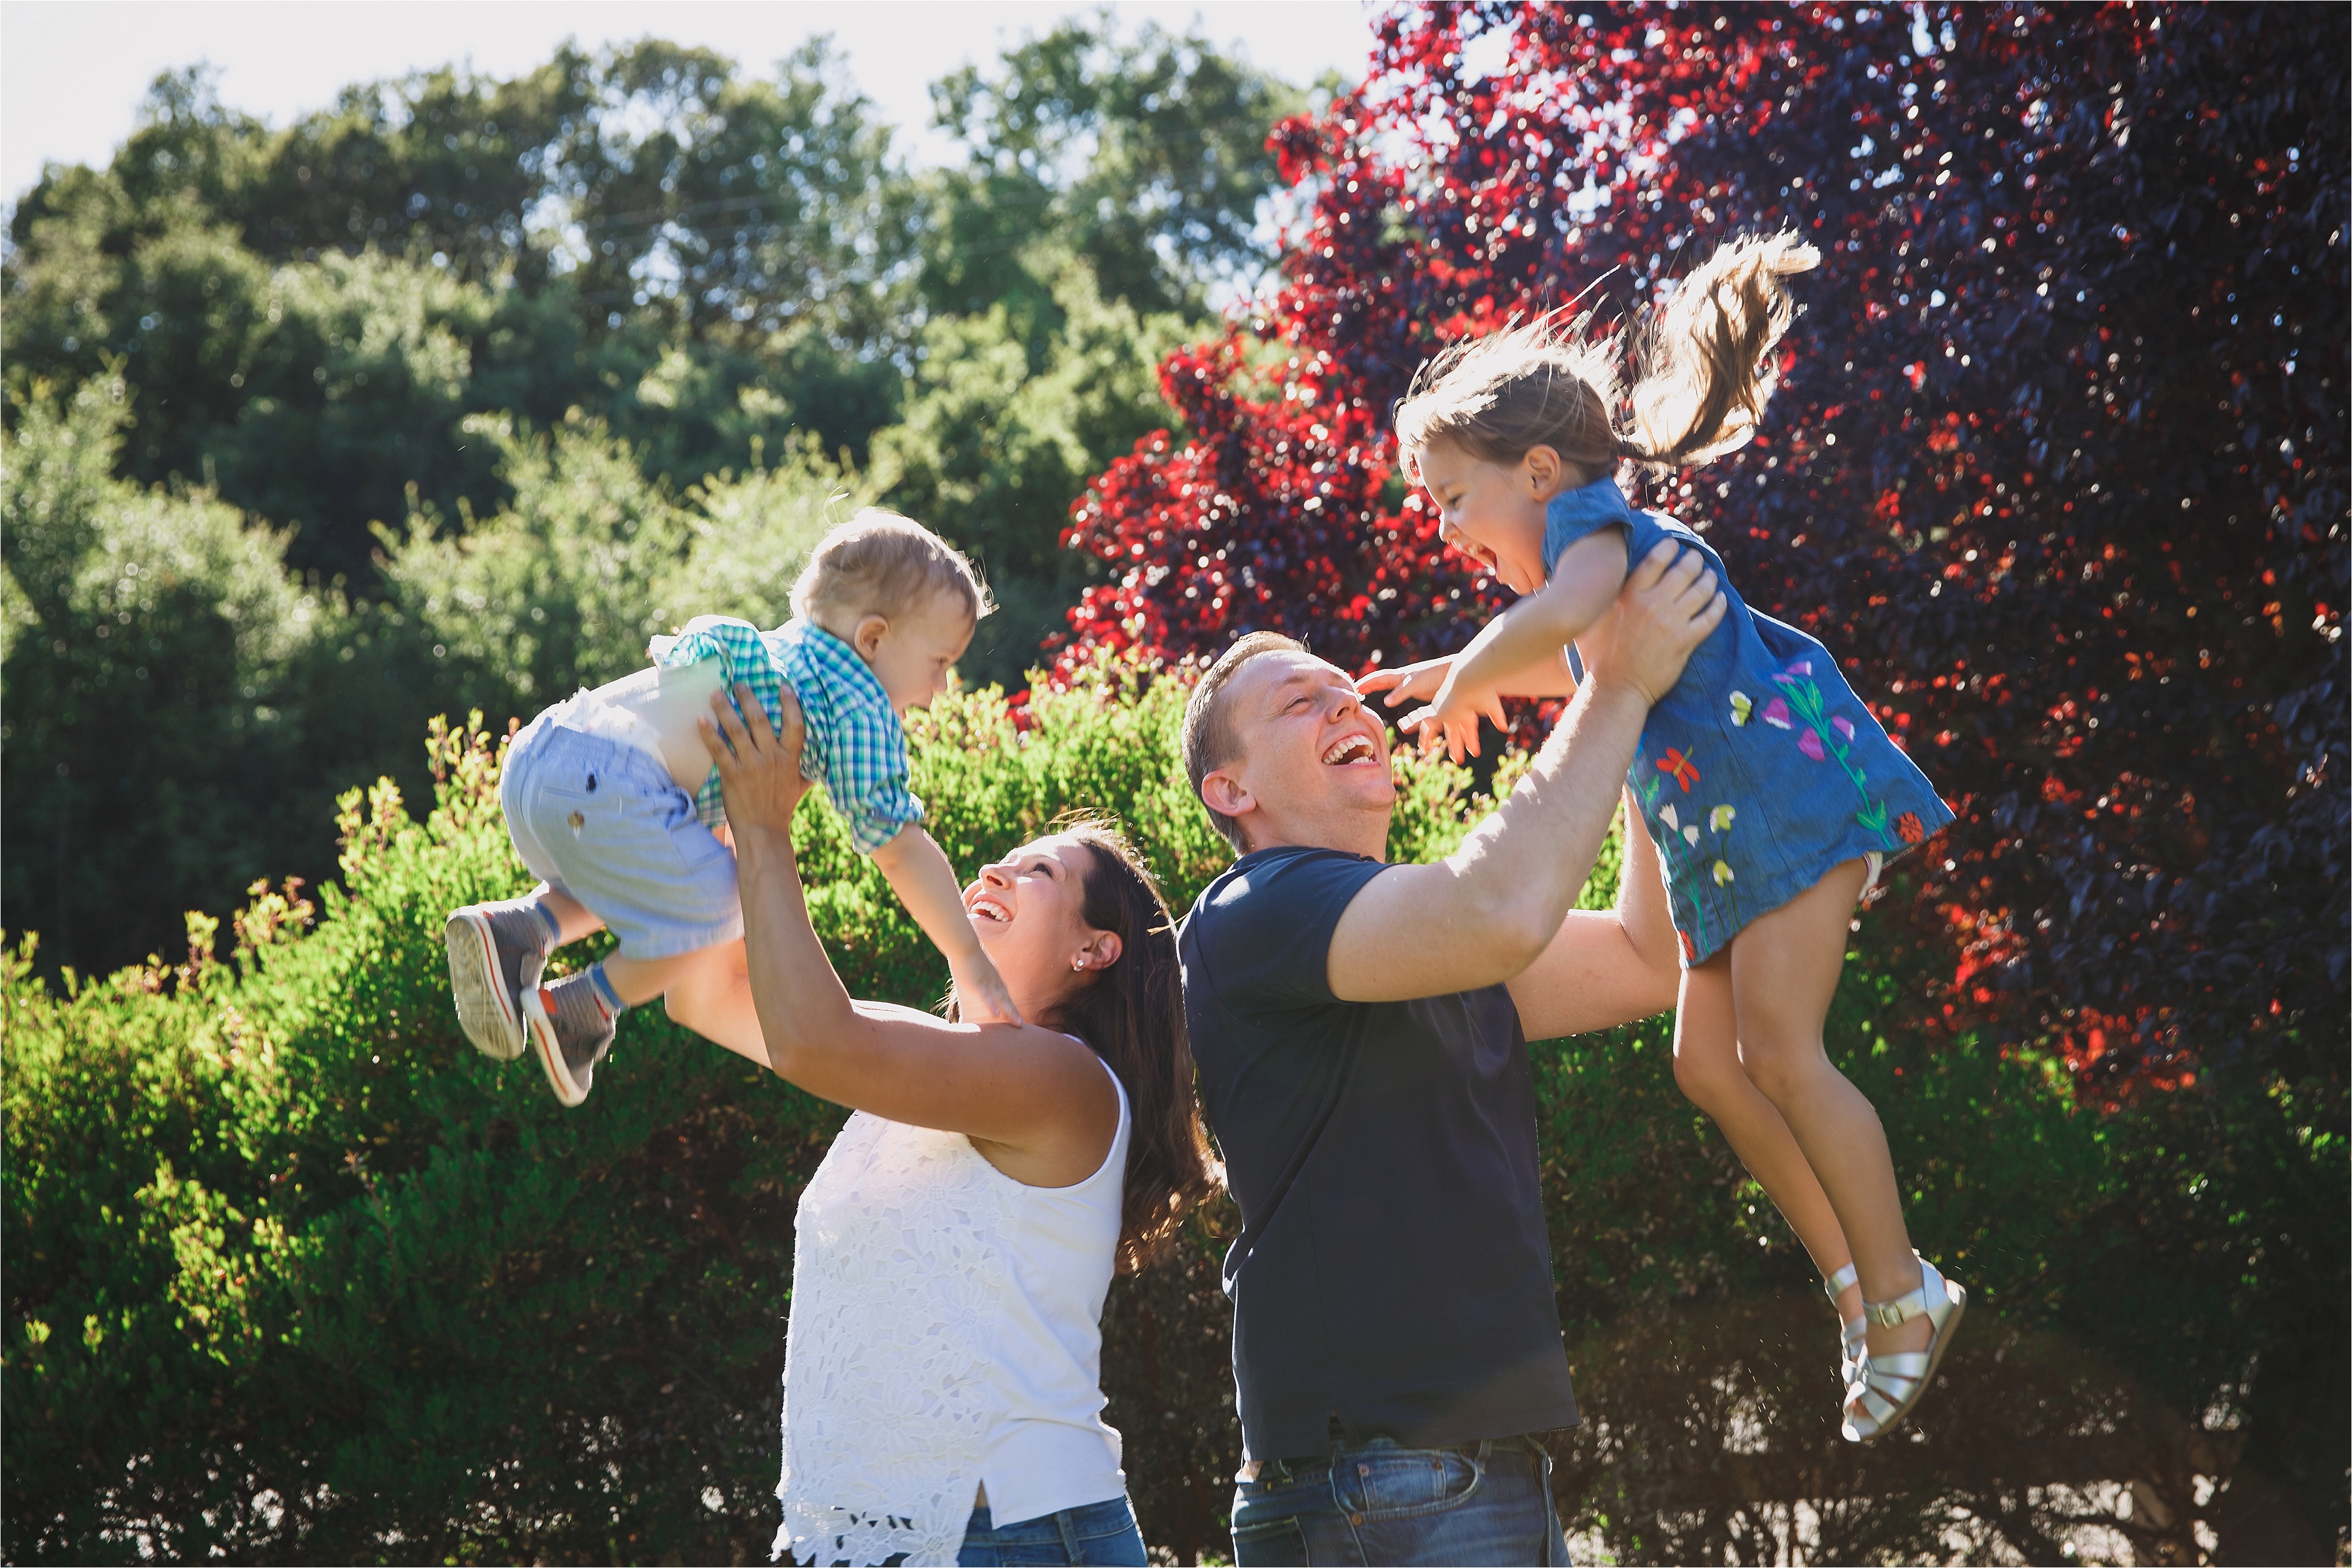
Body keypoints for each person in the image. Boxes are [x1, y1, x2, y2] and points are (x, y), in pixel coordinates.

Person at [1366, 232, 1963, 1444]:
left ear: (1536, 469)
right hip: (1730, 836)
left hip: (1784, 814)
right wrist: (1464, 669)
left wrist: (1469, 675)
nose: (1441, 529)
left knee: (1785, 1053)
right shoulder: (1592, 563)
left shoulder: (1595, 541)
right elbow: (1586, 662)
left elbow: (1562, 621)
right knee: (1706, 1062)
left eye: (1450, 499)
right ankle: (1853, 1286)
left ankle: (1905, 1288)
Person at [1178, 543, 1724, 1566]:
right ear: (1231, 788)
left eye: (1352, 695)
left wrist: (1649, 721)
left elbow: (1650, 958)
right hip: (1378, 1479)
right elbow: (1496, 909)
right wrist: (1615, 683)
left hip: (1465, 1470)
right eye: (1302, 702)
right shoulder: (1254, 912)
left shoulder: (1436, 938)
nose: (1351, 709)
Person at [692, 678, 1220, 1567]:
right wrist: (692, 822)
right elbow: (709, 994)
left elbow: (813, 1043)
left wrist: (765, 825)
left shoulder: (1063, 1078)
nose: (990, 871)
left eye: (1038, 870)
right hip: (859, 1534)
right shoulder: (933, 1055)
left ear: (1095, 950)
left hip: (1009, 1537)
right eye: (1002, 859)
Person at [442, 509, 1022, 1109]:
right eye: (940, 664)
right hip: (614, 782)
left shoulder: (785, 655)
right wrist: (968, 959)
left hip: (549, 754)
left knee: (658, 872)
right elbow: (899, 847)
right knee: (717, 909)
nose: (943, 690)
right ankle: (580, 1010)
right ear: (873, 639)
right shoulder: (858, 702)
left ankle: (519, 929)